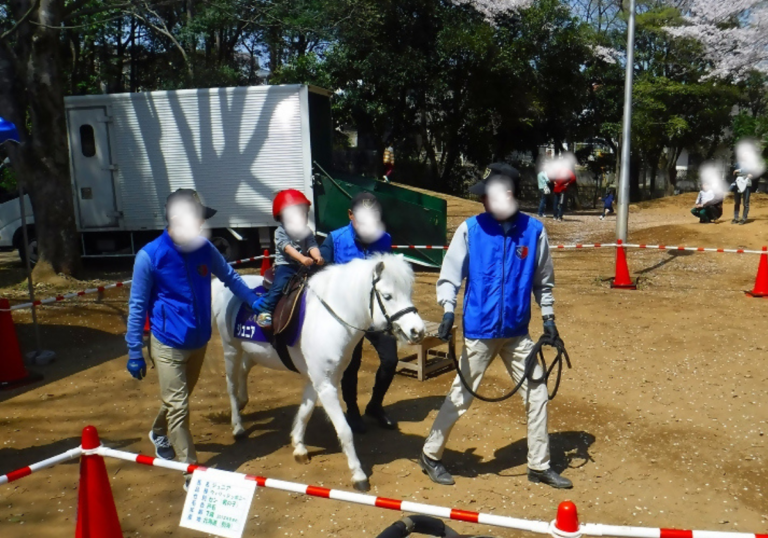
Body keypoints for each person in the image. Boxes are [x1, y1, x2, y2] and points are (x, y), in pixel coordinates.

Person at [418, 162, 572, 490]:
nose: (483, 202)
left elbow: (544, 281)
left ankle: (539, 465)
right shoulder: (470, 229)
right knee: (462, 397)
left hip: (517, 334)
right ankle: (430, 455)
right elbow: (449, 275)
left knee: (537, 392)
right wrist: (447, 310)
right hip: (480, 331)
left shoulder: (534, 231)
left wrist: (548, 318)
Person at [125, 189, 262, 490]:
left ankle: (158, 431)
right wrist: (134, 349)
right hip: (167, 343)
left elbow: (230, 276)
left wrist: (253, 300)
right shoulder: (150, 256)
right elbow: (136, 305)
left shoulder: (203, 248)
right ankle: (191, 472)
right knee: (180, 407)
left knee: (178, 400)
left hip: (199, 341)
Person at [318, 192, 399, 433]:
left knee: (390, 359)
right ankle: (352, 410)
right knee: (351, 365)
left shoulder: (384, 240)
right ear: (350, 215)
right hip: (347, 317)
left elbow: (389, 276)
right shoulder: (334, 240)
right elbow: (321, 281)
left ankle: (375, 405)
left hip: (376, 315)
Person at [253, 189, 324, 328]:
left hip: (303, 265)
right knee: (279, 287)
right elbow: (287, 248)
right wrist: (302, 258)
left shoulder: (307, 231)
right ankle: (265, 309)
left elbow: (312, 245)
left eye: (303, 212)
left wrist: (317, 256)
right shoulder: (280, 232)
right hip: (286, 266)